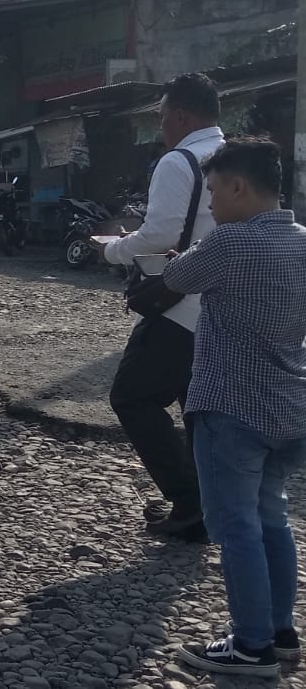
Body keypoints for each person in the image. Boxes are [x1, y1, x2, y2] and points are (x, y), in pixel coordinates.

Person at [163, 138, 306, 677]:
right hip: (290, 406)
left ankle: (250, 645)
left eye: (215, 191)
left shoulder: (230, 241)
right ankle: (281, 633)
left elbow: (175, 280)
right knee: (272, 517)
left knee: (236, 525)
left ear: (239, 187)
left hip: (232, 407)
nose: (211, 203)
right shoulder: (303, 241)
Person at [102, 73, 225, 542]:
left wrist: (113, 249)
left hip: (180, 306)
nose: (161, 126)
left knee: (132, 397)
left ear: (180, 115)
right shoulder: (232, 155)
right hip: (221, 308)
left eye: (162, 117)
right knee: (197, 409)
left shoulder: (179, 161)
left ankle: (190, 502)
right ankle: (207, 503)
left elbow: (161, 235)